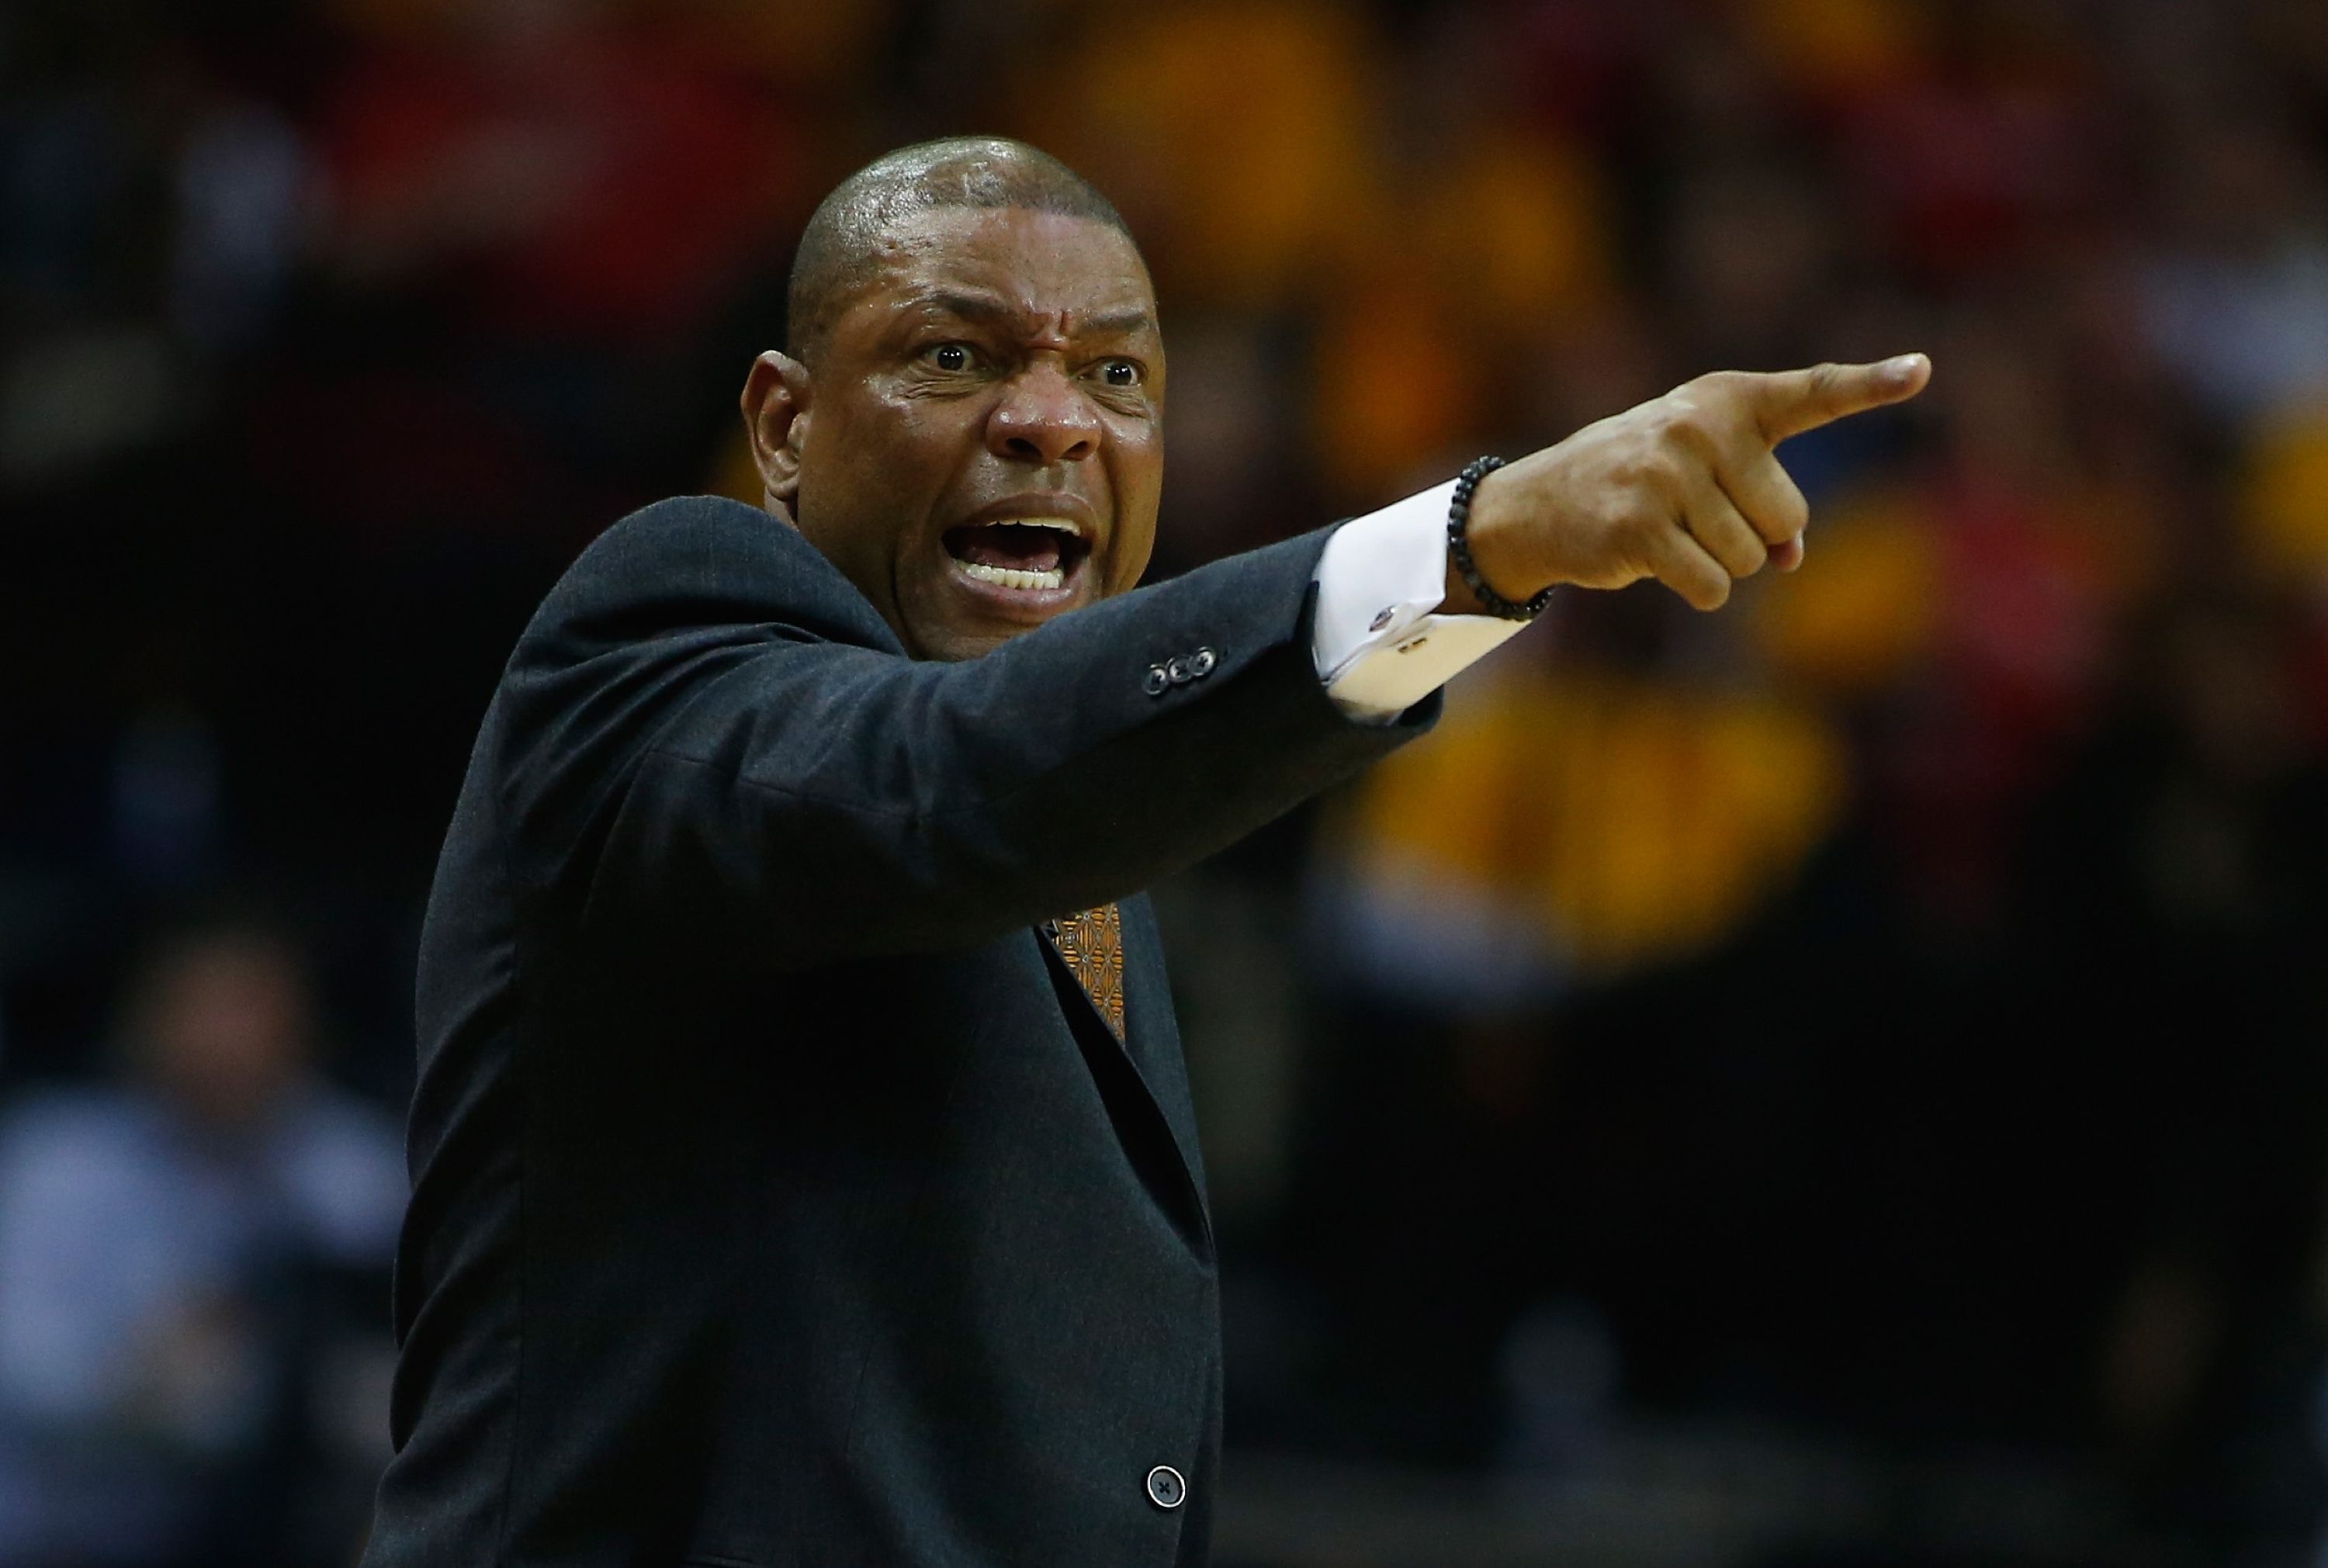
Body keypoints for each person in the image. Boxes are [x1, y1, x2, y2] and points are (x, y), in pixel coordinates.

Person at [365, 136, 1928, 1567]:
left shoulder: (1093, 832)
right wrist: (1478, 541)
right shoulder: (667, 637)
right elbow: (940, 780)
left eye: (1118, 375)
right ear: (783, 422)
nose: (1052, 420)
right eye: (957, 354)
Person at [0, 920, 406, 1567]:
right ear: (141, 1025)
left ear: (303, 1029)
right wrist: (140, 1377)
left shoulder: (356, 1169)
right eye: (199, 1010)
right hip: (77, 1537)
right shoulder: (57, 1160)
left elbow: (402, 1372)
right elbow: (25, 1374)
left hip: (294, 1534)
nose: (224, 1040)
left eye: (249, 1009)